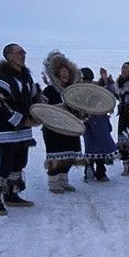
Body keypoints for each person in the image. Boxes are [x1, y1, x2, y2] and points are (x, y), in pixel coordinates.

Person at [0, 43, 41, 216]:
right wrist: (22, 120)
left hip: (24, 129)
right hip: (9, 129)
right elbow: (0, 105)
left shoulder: (26, 78)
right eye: (19, 52)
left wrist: (41, 112)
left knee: (20, 161)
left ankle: (12, 195)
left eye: (24, 52)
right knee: (6, 162)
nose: (23, 55)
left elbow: (34, 98)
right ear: (9, 56)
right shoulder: (2, 80)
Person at [41, 51, 85, 194]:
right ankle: (53, 182)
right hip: (53, 130)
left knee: (69, 156)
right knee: (56, 156)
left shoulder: (73, 91)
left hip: (71, 128)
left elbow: (80, 108)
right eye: (61, 72)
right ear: (56, 74)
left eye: (67, 71)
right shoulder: (49, 90)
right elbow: (42, 110)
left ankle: (64, 180)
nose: (65, 74)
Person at [80, 67, 118, 183]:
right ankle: (89, 171)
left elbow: (109, 96)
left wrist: (106, 80)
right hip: (88, 121)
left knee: (101, 145)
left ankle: (101, 172)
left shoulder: (98, 88)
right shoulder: (78, 89)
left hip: (100, 119)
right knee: (91, 146)